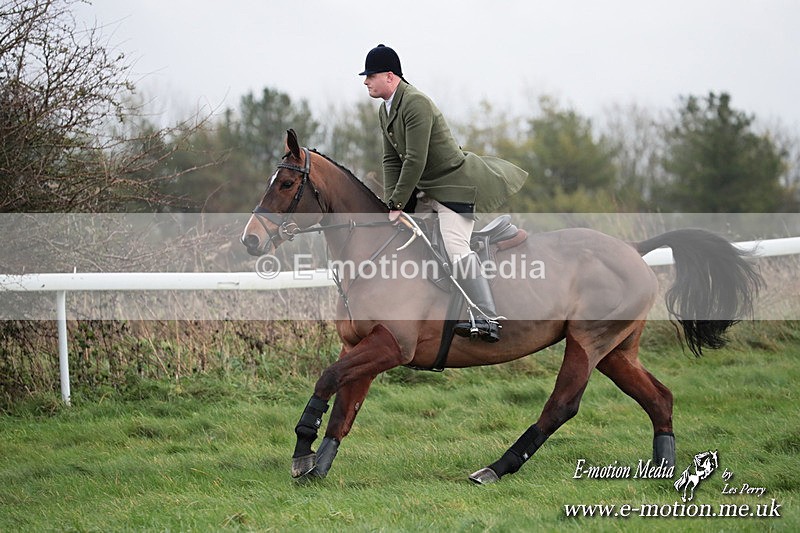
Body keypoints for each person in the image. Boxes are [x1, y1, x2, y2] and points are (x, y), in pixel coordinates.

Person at [359, 44, 528, 342]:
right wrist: (391, 203)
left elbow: (414, 159)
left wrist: (399, 202)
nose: (365, 81)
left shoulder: (415, 103)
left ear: (389, 76)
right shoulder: (385, 110)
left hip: (453, 186)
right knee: (405, 242)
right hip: (426, 189)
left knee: (454, 246)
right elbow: (390, 160)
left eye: (370, 75)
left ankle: (487, 318)